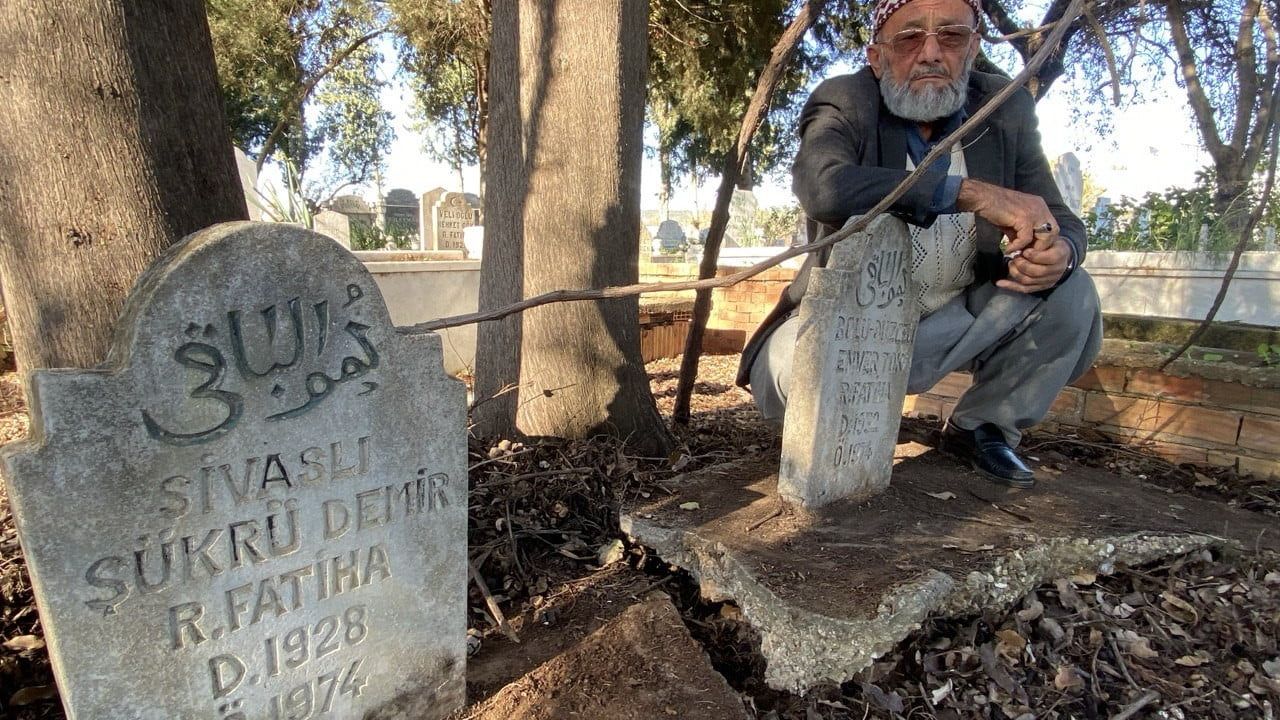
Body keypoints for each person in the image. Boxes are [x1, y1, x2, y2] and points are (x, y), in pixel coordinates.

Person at [736, 0, 1103, 488]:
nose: (930, 53)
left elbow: (1058, 217)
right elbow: (823, 187)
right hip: (849, 327)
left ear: (973, 48)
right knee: (792, 364)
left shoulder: (1004, 108)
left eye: (950, 37)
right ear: (877, 56)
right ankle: (840, 434)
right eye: (909, 38)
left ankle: (982, 428)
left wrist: (1060, 253)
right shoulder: (845, 100)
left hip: (960, 321)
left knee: (1073, 294)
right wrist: (968, 194)